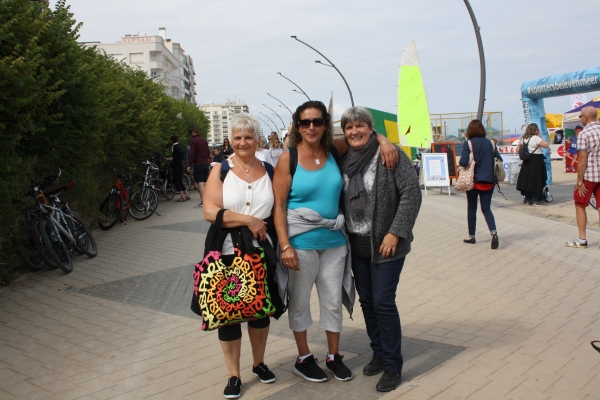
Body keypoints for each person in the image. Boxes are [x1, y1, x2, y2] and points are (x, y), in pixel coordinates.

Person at [273, 100, 398, 384]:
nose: (311, 127)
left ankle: (333, 356)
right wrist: (285, 246)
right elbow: (278, 206)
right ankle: (304, 359)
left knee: (332, 302)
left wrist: (385, 141)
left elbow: (363, 135)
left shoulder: (333, 150)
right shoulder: (288, 158)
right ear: (297, 126)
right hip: (300, 245)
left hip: (334, 243)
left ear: (325, 125)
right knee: (300, 303)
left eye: (317, 121)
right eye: (305, 122)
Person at [339, 107, 421, 392]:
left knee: (383, 302)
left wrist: (396, 232)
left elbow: (411, 194)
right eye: (349, 127)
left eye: (360, 126)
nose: (354, 131)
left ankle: (393, 365)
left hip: (386, 245)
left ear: (371, 128)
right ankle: (379, 352)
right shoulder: (344, 160)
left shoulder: (390, 154)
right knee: (367, 302)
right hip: (357, 244)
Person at [203, 113, 278, 398]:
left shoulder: (269, 170)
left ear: (258, 140)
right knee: (228, 313)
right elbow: (209, 211)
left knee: (260, 310)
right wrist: (249, 220)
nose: (243, 142)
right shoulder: (220, 170)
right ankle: (233, 375)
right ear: (230, 140)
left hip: (261, 249)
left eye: (248, 137)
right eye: (237, 137)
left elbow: (279, 209)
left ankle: (259, 363)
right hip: (227, 249)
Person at [459, 119, 502, 249]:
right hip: (489, 181)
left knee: (472, 208)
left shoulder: (468, 143)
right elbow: (499, 158)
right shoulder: (490, 143)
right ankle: (494, 233)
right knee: (486, 209)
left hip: (473, 181)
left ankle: (471, 236)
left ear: (470, 131)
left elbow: (463, 162)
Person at [566, 106, 600, 248]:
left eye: (581, 116)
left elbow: (582, 159)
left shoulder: (584, 134)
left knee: (580, 204)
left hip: (589, 175)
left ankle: (582, 239)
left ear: (585, 117)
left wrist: (579, 181)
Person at [516, 123, 549, 206]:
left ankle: (528, 199)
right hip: (536, 160)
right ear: (535, 130)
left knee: (527, 180)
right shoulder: (535, 138)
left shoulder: (524, 138)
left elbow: (519, 145)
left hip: (527, 160)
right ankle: (535, 200)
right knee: (536, 180)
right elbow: (546, 145)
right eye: (537, 129)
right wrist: (539, 136)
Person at [187, 126, 210, 208]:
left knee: (200, 183)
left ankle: (203, 202)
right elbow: (208, 152)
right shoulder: (204, 140)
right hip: (205, 163)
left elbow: (192, 154)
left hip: (198, 163)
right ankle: (209, 201)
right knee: (205, 182)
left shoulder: (193, 141)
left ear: (193, 132)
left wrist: (189, 164)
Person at [168, 135, 191, 202]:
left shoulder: (176, 147)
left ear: (172, 141)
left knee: (176, 181)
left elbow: (180, 155)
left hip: (177, 166)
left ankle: (182, 196)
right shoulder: (178, 146)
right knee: (180, 181)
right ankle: (187, 195)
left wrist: (173, 158)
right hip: (179, 166)